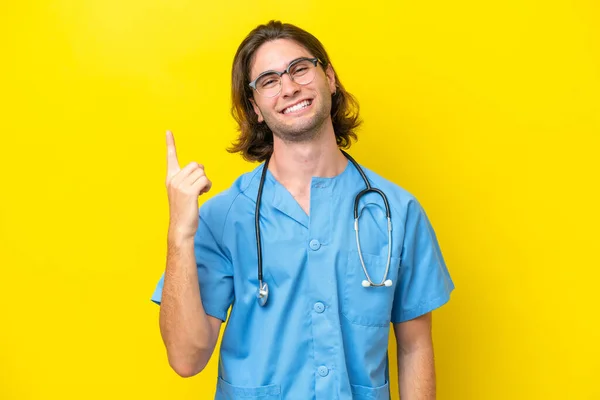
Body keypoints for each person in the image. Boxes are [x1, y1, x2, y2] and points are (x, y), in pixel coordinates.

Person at [152, 20, 455, 400]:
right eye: (268, 80)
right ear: (256, 108)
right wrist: (179, 235)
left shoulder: (398, 211)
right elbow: (186, 358)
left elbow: (415, 348)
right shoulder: (223, 217)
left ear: (328, 77)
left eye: (299, 69)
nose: (289, 87)